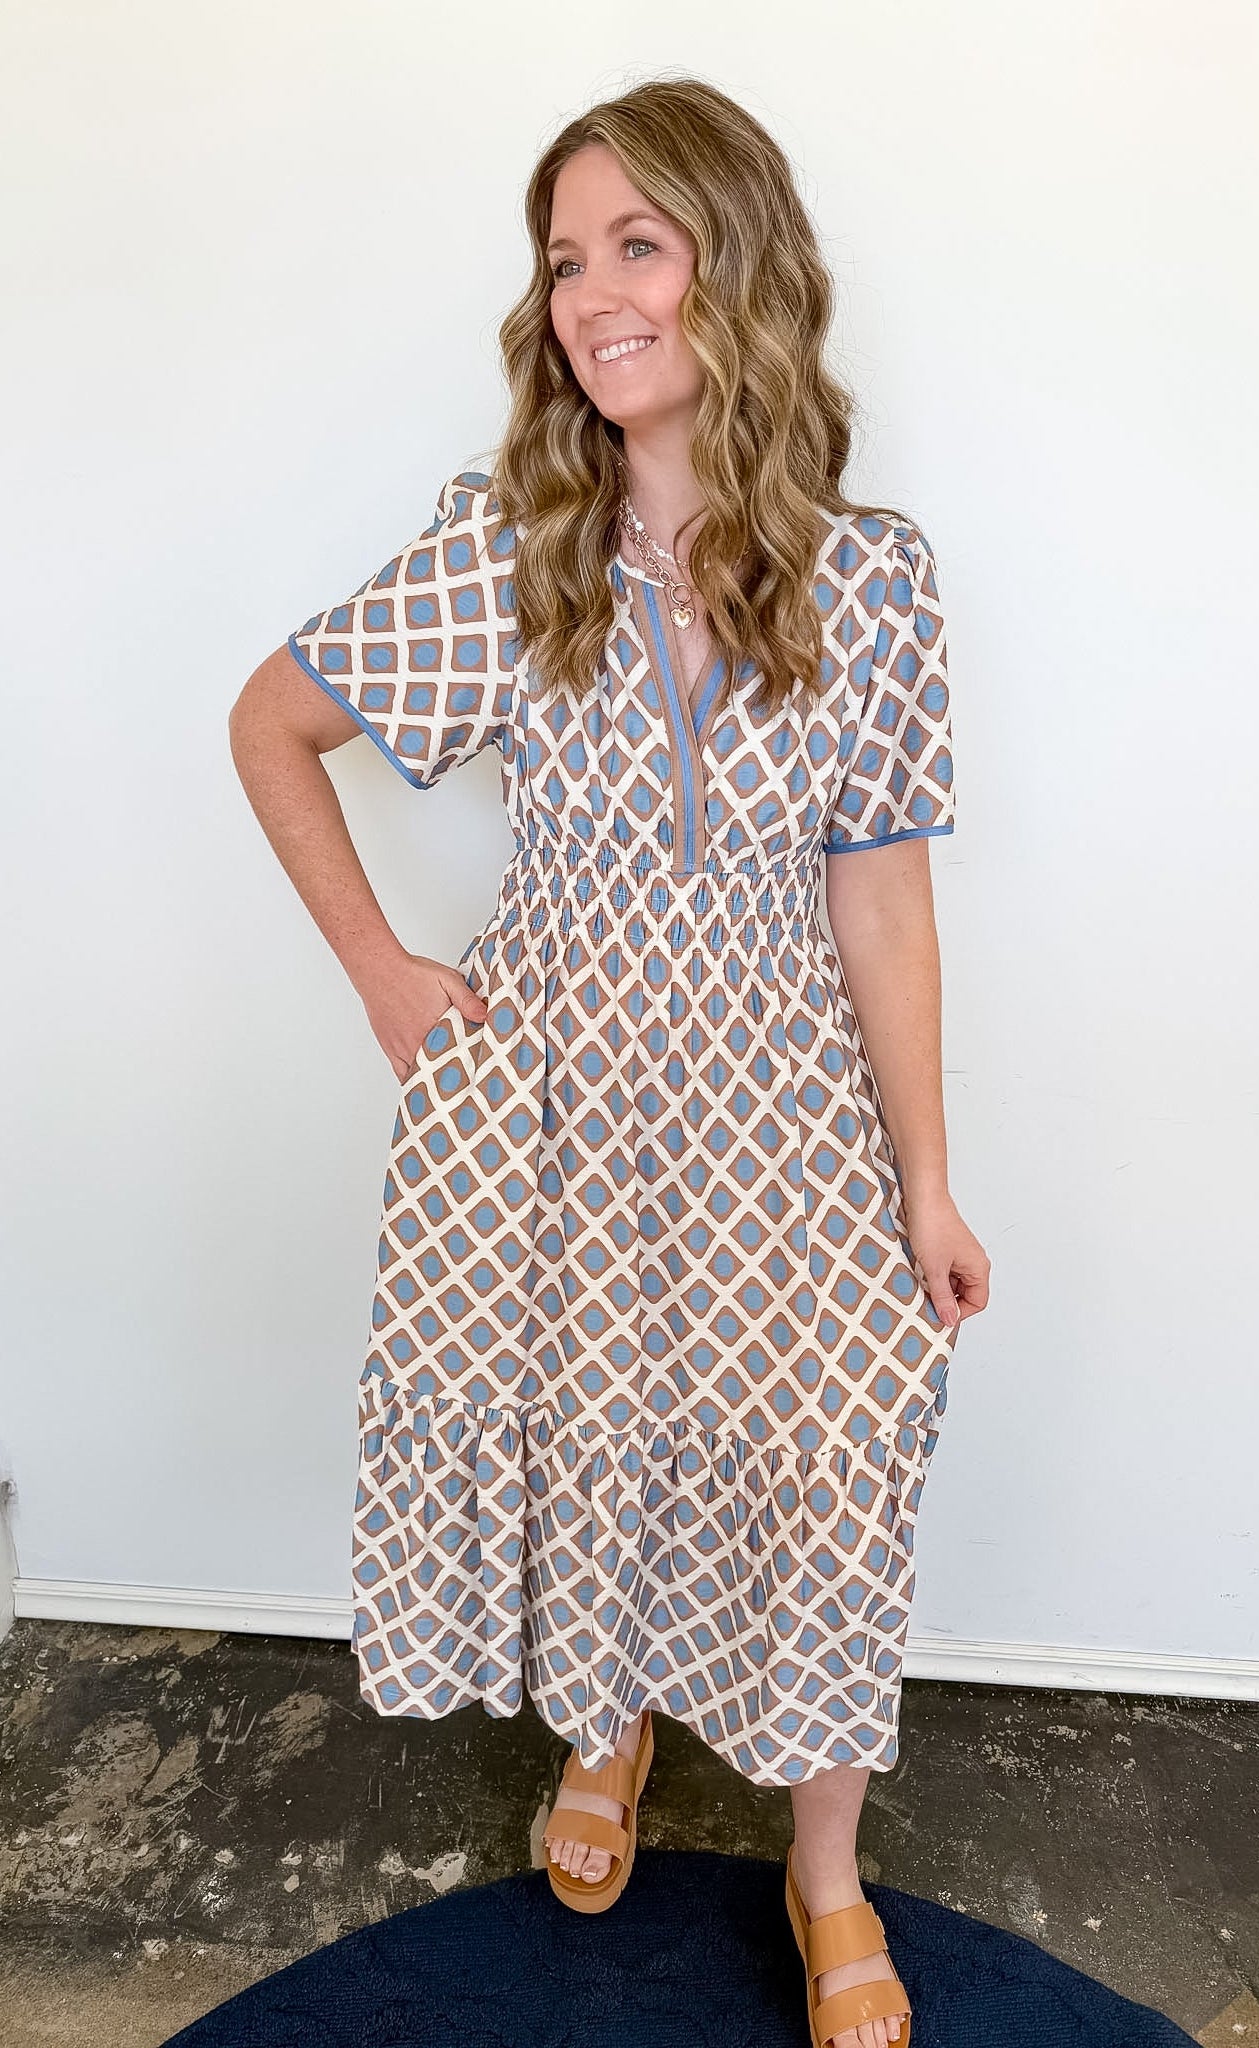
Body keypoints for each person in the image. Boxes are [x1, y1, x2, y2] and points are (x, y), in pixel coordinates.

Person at [229, 72, 990, 2048]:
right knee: (599, 1433)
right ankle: (609, 1738)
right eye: (564, 261)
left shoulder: (871, 576)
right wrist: (388, 974)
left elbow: (883, 904)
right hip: (556, 1087)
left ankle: (824, 1877)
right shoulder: (510, 554)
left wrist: (919, 1173)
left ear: (734, 267)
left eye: (633, 246)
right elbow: (266, 725)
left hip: (786, 1097)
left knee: (831, 1464)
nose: (588, 295)